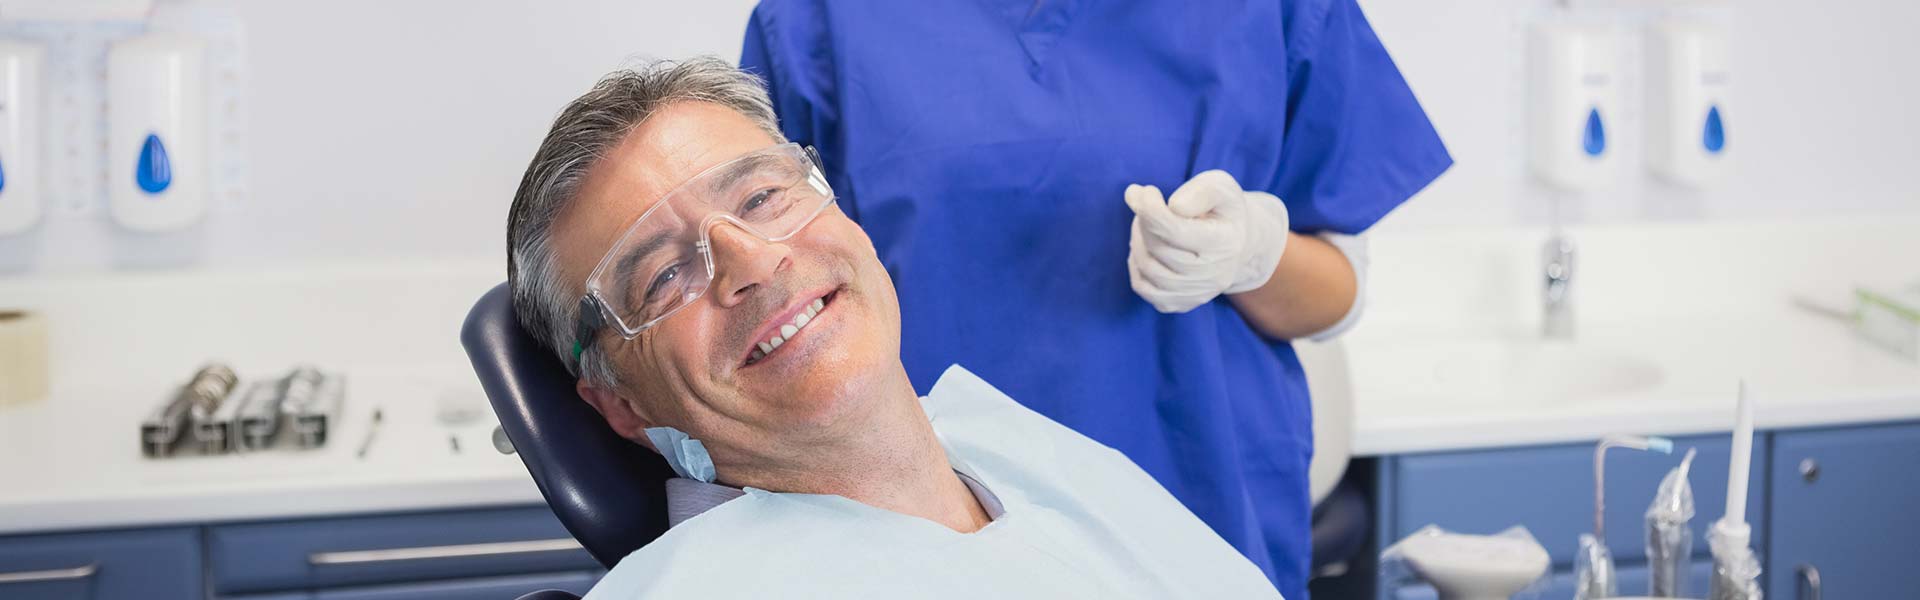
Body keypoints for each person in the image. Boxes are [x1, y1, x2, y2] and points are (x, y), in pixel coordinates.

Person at [504, 58, 1285, 599]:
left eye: (762, 197)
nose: (754, 261)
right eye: (664, 276)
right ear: (622, 406)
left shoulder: (1019, 452)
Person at [741, 2, 1452, 595]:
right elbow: (770, 294)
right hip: (936, 530)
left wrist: (1253, 253)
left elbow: (1338, 294)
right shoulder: (823, 21)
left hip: (1200, 508)